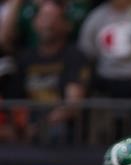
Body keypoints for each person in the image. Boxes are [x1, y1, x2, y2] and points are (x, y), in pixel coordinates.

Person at [7, 0, 89, 133]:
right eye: (44, 18)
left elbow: (72, 104)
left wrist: (41, 126)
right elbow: (15, 101)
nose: (48, 24)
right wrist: (21, 126)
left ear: (66, 25)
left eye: (54, 19)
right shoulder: (24, 58)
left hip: (60, 128)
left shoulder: (74, 56)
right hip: (28, 124)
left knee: (57, 130)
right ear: (34, 23)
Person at [0, 0, 91, 54]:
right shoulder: (26, 8)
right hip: (30, 63)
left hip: (67, 61)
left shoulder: (78, 8)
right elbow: (4, 40)